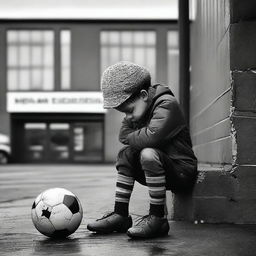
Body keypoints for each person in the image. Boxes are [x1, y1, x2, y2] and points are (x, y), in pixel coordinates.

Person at [87, 61, 197, 239]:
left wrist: (138, 135)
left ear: (144, 95)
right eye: (124, 114)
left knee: (147, 152)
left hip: (181, 171)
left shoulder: (167, 104)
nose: (128, 117)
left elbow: (151, 138)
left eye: (129, 111)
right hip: (158, 169)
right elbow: (123, 135)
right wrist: (139, 134)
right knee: (125, 154)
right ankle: (120, 215)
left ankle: (158, 217)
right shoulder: (141, 108)